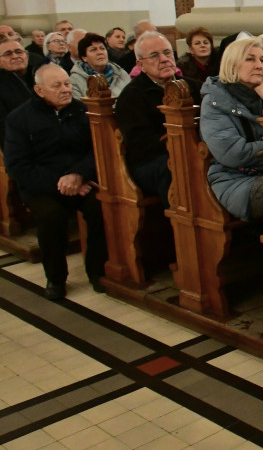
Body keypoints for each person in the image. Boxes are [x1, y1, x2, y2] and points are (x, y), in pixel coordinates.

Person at [4, 64, 107, 299]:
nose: (65, 90)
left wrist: (79, 175)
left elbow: (97, 150)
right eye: (57, 85)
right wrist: (61, 183)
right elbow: (18, 166)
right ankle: (56, 278)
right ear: (39, 91)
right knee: (51, 216)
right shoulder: (19, 119)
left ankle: (97, 270)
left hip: (80, 180)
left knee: (100, 206)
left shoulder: (82, 111)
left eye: (68, 84)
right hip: (40, 185)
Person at [115, 31, 201, 206]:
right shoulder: (131, 96)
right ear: (141, 65)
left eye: (167, 52)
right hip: (151, 163)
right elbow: (140, 144)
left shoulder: (194, 86)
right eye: (154, 55)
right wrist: (180, 147)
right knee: (177, 168)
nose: (164, 59)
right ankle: (185, 225)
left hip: (195, 152)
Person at [199, 37, 263, 222]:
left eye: (262, 60)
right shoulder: (215, 101)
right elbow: (232, 153)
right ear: (232, 64)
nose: (259, 66)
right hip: (235, 180)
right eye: (250, 59)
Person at [70, 32, 131, 99]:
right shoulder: (75, 80)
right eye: (93, 50)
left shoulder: (121, 74)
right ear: (84, 57)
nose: (100, 52)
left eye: (102, 48)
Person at [0, 36, 35, 147]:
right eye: (8, 54)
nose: (15, 56)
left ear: (27, 55)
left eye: (19, 52)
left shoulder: (39, 75)